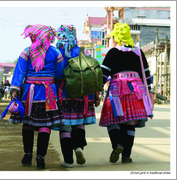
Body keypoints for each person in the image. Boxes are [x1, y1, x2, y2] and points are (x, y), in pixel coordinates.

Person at [8, 24, 65, 169]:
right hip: (48, 93)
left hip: (29, 94)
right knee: (45, 125)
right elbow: (59, 74)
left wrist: (15, 90)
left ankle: (27, 155)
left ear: (33, 36)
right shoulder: (56, 52)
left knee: (28, 123)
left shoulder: (26, 52)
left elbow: (20, 72)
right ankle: (41, 157)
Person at [99, 23, 153, 164]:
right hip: (136, 90)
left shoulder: (113, 52)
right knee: (130, 123)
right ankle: (126, 156)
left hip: (117, 89)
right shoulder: (138, 52)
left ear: (116, 37)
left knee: (112, 120)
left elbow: (104, 74)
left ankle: (117, 144)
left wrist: (97, 89)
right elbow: (146, 74)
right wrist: (149, 90)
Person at [55, 24, 100, 168]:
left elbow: (58, 75)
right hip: (83, 94)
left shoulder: (58, 53)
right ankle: (79, 147)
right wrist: (96, 94)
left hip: (64, 95)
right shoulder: (83, 51)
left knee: (65, 127)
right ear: (74, 35)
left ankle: (68, 161)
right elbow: (91, 75)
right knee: (79, 123)